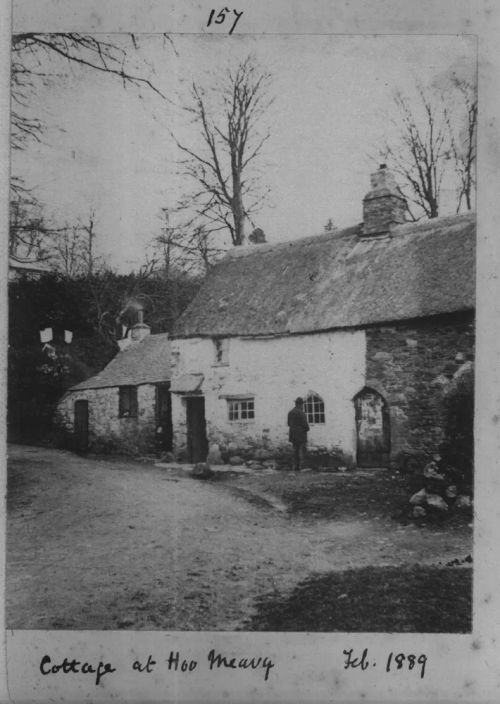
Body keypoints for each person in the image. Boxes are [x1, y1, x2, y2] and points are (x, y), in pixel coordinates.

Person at [287, 397, 310, 471]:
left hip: (293, 435)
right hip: (301, 435)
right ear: (300, 404)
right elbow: (305, 425)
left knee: (295, 451)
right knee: (302, 451)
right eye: (302, 404)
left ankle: (295, 466)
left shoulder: (290, 412)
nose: (302, 406)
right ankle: (302, 467)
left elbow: (288, 423)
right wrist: (307, 429)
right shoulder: (301, 413)